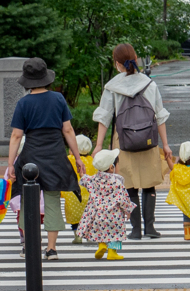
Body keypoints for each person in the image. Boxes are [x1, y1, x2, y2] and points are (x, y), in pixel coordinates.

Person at [92, 42, 174, 241]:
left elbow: (104, 117)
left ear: (117, 63)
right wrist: (166, 145)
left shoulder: (112, 86)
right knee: (148, 184)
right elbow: (160, 116)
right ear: (135, 59)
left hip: (123, 141)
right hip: (148, 139)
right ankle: (151, 227)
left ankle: (135, 229)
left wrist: (99, 145)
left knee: (128, 184)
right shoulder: (149, 84)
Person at [7, 57, 85, 262]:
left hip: (31, 155)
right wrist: (77, 158)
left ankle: (29, 246)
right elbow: (67, 129)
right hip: (55, 155)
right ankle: (51, 249)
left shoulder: (23, 103)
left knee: (27, 202)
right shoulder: (58, 99)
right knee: (52, 201)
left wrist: (10, 163)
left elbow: (16, 135)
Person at [76, 148, 133, 260]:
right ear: (111, 167)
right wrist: (128, 210)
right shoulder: (117, 181)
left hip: (98, 213)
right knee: (116, 233)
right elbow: (123, 197)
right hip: (114, 214)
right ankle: (112, 252)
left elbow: (84, 180)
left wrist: (82, 174)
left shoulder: (93, 180)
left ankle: (101, 245)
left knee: (100, 230)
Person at [62, 133, 96, 244]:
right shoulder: (91, 161)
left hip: (73, 196)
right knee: (89, 217)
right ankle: (89, 236)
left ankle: (77, 235)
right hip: (89, 196)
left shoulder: (69, 159)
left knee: (75, 218)